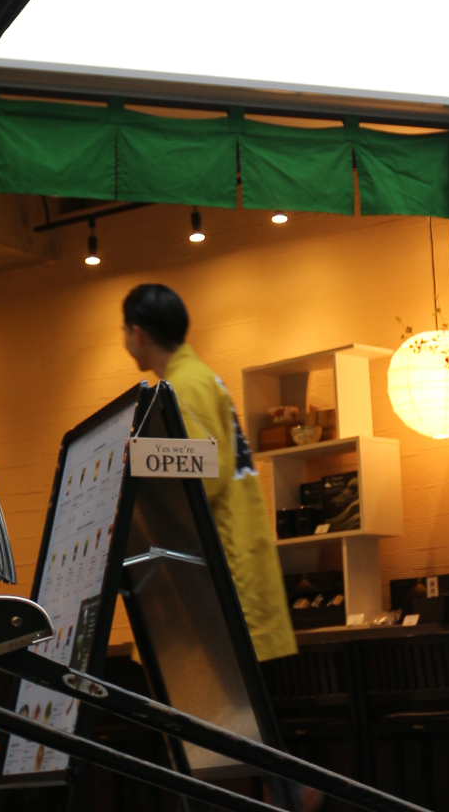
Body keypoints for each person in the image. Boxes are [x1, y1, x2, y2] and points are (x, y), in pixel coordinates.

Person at [121, 283, 297, 663]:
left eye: (124, 330)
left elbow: (202, 479)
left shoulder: (184, 386)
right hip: (228, 556)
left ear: (138, 333)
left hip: (219, 565)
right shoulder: (196, 378)